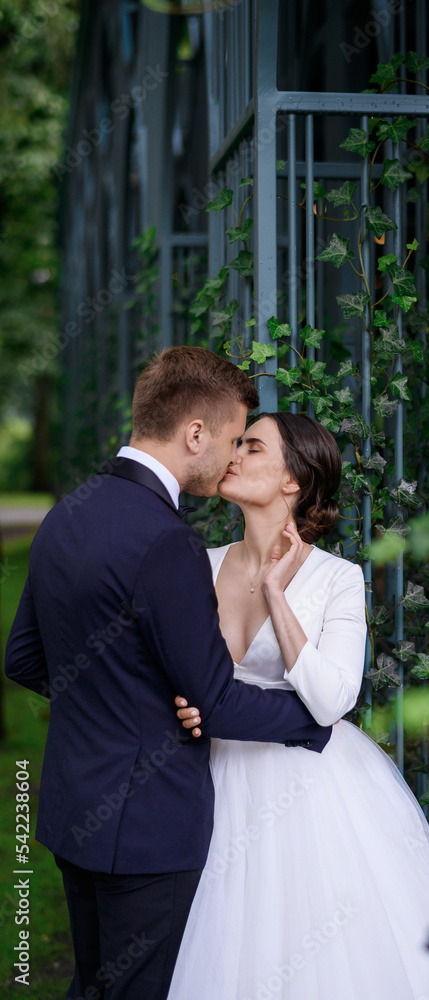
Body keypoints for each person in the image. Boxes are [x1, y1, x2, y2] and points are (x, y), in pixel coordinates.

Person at [4, 347, 331, 1000]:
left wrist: (114, 700)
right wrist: (316, 721)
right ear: (194, 434)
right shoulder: (166, 540)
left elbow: (24, 658)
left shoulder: (69, 511)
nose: (234, 453)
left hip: (74, 806)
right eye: (235, 437)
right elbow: (210, 699)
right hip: (147, 829)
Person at [167, 411, 429, 1000]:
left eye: (253, 446)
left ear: (292, 481)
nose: (236, 452)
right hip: (211, 772)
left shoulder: (337, 579)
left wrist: (278, 594)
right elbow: (183, 676)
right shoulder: (202, 564)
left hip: (308, 782)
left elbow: (331, 699)